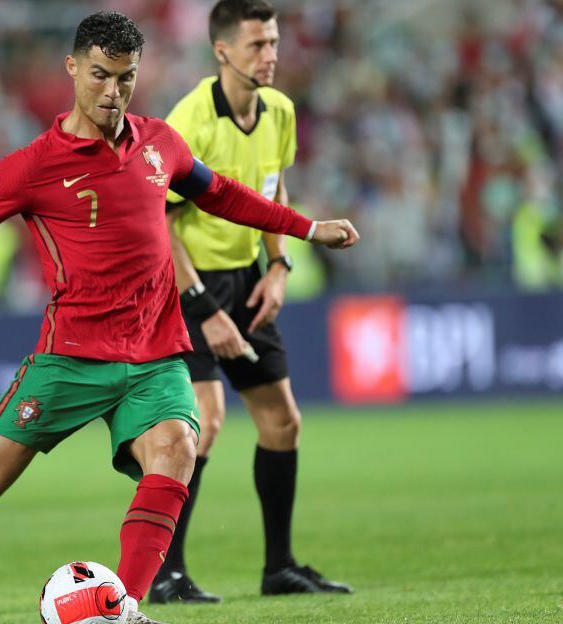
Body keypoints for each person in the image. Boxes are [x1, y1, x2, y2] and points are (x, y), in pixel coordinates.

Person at [0, 12, 357, 623]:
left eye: (125, 79)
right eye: (99, 75)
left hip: (154, 352)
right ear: (72, 68)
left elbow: (223, 194)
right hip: (72, 356)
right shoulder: (34, 165)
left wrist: (307, 228)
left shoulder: (160, 145)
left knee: (178, 447)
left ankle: (121, 608)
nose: (112, 92)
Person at [151, 0, 353, 603]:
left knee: (282, 422)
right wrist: (206, 308)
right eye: (256, 45)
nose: (269, 55)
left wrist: (281, 265)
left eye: (273, 43)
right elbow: (158, 223)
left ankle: (279, 568)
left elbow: (272, 190)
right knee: (203, 423)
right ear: (221, 52)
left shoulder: (280, 112)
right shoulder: (189, 122)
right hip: (186, 284)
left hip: (246, 278)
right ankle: (165, 576)